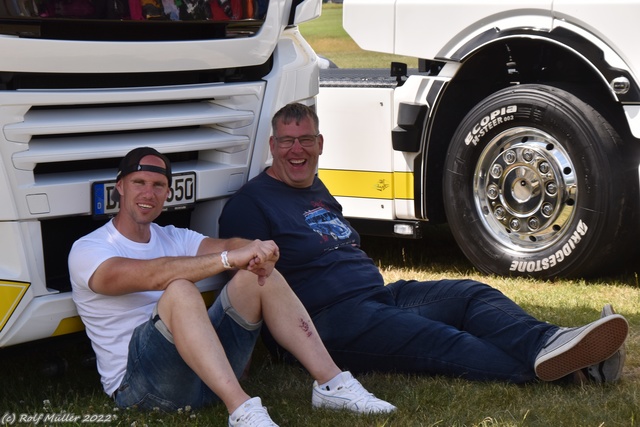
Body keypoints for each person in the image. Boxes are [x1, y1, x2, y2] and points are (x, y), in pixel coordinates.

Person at [218, 102, 629, 385]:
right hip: (329, 321)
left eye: (305, 140)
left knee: (470, 295)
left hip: (377, 296)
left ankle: (551, 342)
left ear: (320, 144)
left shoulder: (317, 189)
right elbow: (249, 283)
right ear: (272, 146)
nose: (296, 150)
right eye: (286, 141)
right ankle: (576, 372)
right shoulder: (250, 205)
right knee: (442, 342)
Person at [68, 147, 396, 427]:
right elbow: (154, 275)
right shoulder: (90, 249)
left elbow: (228, 244)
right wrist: (230, 258)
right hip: (142, 389)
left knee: (255, 274)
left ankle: (332, 384)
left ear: (167, 193)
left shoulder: (173, 236)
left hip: (204, 376)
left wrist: (256, 250)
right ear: (120, 187)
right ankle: (241, 409)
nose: (148, 193)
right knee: (179, 287)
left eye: (158, 185)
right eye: (139, 183)